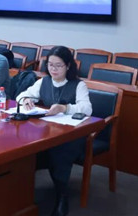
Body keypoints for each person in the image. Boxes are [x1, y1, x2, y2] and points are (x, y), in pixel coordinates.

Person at [17, 46, 92, 216]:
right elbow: (20, 96)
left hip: (73, 135)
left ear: (68, 66)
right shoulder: (43, 82)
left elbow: (87, 109)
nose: (53, 69)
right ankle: (23, 197)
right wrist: (26, 99)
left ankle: (62, 196)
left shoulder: (78, 85)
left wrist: (65, 108)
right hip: (48, 132)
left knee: (59, 152)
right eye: (50, 65)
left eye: (58, 65)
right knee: (27, 149)